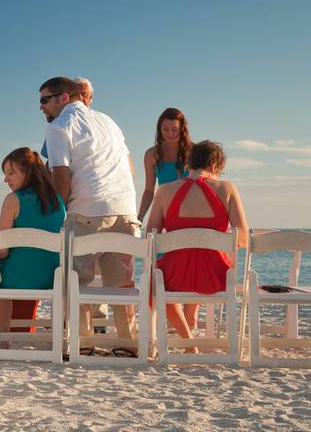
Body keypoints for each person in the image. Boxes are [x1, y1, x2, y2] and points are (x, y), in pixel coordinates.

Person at [40, 76, 139, 341]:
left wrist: (55, 214)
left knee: (74, 280)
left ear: (64, 98)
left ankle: (80, 343)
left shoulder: (59, 126)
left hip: (87, 211)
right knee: (121, 284)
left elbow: (62, 174)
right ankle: (129, 344)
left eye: (45, 100)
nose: (41, 107)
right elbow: (129, 168)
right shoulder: (109, 121)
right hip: (126, 209)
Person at [147, 140, 248, 347]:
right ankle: (191, 319)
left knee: (156, 283)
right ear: (213, 167)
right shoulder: (227, 188)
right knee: (202, 264)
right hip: (215, 276)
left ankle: (189, 341)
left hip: (174, 275)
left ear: (188, 165)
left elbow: (151, 236)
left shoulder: (164, 191)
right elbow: (244, 239)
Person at [0, 148, 66, 346]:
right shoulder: (58, 201)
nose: (6, 180)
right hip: (51, 277)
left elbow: (3, 249)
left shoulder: (12, 200)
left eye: (11, 173)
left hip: (18, 278)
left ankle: (5, 339)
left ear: (28, 172)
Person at [137, 108, 192, 222]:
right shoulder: (151, 154)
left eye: (174, 129)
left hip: (193, 211)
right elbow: (149, 191)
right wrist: (140, 217)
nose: (170, 134)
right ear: (159, 129)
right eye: (165, 129)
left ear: (182, 129)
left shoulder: (194, 152)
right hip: (166, 211)